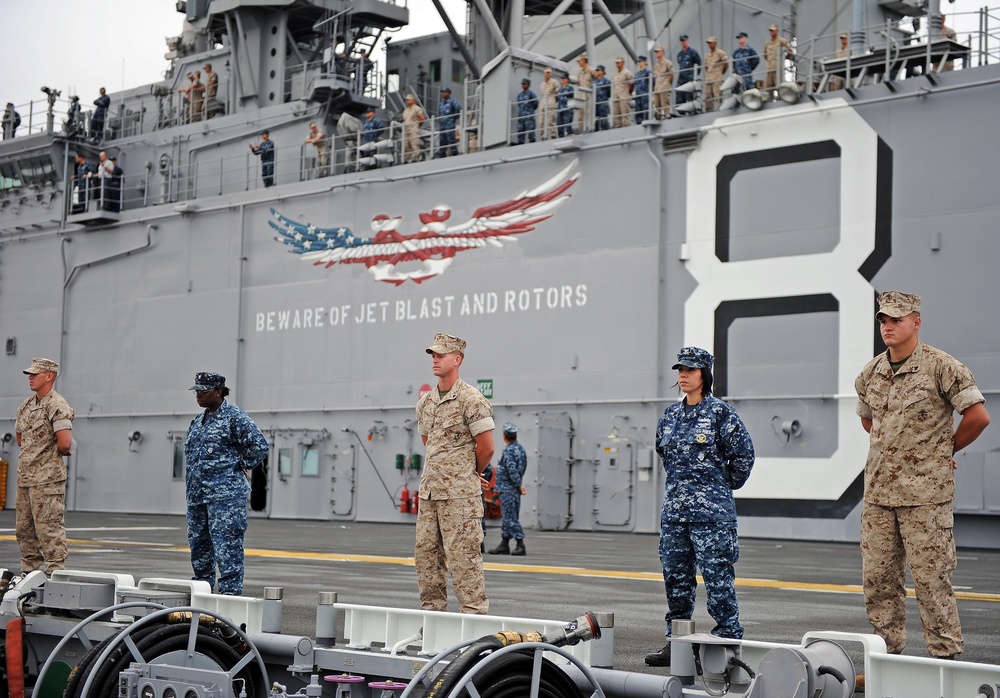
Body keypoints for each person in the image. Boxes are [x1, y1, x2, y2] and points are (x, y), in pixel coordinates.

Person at [855, 292, 990, 661]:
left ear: (916, 321)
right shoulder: (871, 373)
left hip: (926, 498)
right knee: (878, 584)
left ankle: (944, 662)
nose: (888, 327)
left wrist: (942, 451)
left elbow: (977, 417)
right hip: (880, 496)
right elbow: (870, 420)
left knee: (932, 583)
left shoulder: (942, 367)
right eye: (883, 320)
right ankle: (886, 661)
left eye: (896, 320)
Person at [645, 346, 755, 667]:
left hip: (712, 516)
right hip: (675, 516)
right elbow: (665, 455)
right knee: (676, 579)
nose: (683, 375)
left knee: (718, 577)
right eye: (680, 369)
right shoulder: (670, 416)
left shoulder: (722, 414)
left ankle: (727, 639)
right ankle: (677, 641)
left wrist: (718, 489)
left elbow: (743, 458)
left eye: (690, 370)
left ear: (704, 374)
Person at [415, 333, 495, 614]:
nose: (435, 359)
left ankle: (473, 621)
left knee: (463, 559)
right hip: (430, 495)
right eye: (433, 355)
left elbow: (486, 448)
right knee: (427, 559)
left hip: (460, 497)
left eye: (441, 354)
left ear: (457, 359)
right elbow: (431, 445)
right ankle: (433, 620)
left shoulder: (471, 400)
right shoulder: (425, 404)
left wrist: (467, 473)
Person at [184, 372, 269, 595]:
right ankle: (201, 593)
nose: (198, 395)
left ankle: (230, 597)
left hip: (225, 498)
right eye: (197, 391)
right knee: (199, 548)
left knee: (227, 547)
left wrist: (239, 465)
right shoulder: (198, 421)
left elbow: (259, 445)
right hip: (198, 497)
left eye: (203, 391)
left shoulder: (234, 417)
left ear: (219, 392)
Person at [15, 358, 74, 576]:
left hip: (48, 480)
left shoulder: (57, 405)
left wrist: (45, 454)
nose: (30, 378)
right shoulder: (27, 405)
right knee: (25, 531)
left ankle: (55, 576)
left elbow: (65, 442)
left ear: (49, 376)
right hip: (26, 479)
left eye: (34, 374)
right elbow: (20, 438)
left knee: (49, 530)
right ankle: (28, 575)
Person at [487, 423, 528, 556]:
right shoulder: (521, 449)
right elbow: (522, 468)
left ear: (504, 436)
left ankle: (520, 543)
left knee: (510, 518)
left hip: (508, 489)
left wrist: (518, 485)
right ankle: (504, 544)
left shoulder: (508, 451)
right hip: (512, 489)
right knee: (508, 517)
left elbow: (512, 470)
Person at [763, 23, 793, 91]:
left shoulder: (782, 41)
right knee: (768, 89)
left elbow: (790, 50)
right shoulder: (767, 43)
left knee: (780, 87)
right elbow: (765, 55)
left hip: (778, 69)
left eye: (773, 30)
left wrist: (785, 58)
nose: (771, 32)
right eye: (770, 30)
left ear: (777, 31)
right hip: (769, 69)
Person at [675, 35, 702, 106]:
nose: (683, 43)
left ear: (687, 41)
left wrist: (694, 76)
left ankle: (691, 109)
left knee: (690, 96)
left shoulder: (693, 52)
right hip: (682, 78)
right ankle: (681, 111)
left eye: (684, 41)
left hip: (689, 78)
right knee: (679, 95)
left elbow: (699, 63)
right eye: (681, 41)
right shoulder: (679, 54)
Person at [703, 38, 729, 111]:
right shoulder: (707, 56)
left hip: (717, 78)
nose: (709, 45)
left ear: (715, 43)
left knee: (718, 95)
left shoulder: (720, 53)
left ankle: (722, 109)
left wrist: (720, 73)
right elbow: (706, 67)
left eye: (711, 43)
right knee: (707, 96)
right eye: (708, 43)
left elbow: (725, 63)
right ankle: (709, 111)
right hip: (709, 79)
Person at [435, 86, 461, 158]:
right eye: (442, 93)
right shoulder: (441, 104)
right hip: (442, 126)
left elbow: (459, 108)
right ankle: (442, 155)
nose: (443, 94)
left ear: (449, 93)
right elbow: (439, 114)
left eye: (445, 92)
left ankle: (454, 155)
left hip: (449, 125)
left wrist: (456, 117)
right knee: (442, 142)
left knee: (451, 141)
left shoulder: (452, 102)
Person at [576, 54, 598, 132]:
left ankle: (590, 129)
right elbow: (579, 84)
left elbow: (598, 78)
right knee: (580, 117)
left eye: (579, 61)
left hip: (589, 95)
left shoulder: (591, 70)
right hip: (581, 96)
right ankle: (582, 131)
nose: (578, 62)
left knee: (589, 114)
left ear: (583, 60)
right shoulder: (579, 74)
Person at [402, 94, 426, 163]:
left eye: (409, 99)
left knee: (414, 144)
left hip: (413, 128)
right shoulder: (406, 110)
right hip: (406, 129)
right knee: (406, 145)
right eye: (407, 99)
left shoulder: (417, 108)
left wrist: (416, 126)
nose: (407, 100)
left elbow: (422, 118)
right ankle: (407, 159)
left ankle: (416, 158)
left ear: (413, 100)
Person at [651, 46, 674, 119]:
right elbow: (656, 77)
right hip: (657, 88)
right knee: (656, 105)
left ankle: (668, 117)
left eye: (658, 51)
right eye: (656, 52)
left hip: (664, 87)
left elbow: (671, 75)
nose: (656, 53)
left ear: (663, 52)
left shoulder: (667, 63)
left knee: (665, 104)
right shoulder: (656, 66)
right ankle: (658, 117)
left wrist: (667, 84)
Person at [611, 57, 634, 127]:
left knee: (625, 115)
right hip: (616, 97)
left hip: (624, 96)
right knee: (616, 115)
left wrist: (628, 93)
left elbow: (632, 83)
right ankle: (618, 129)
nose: (617, 64)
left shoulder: (627, 72)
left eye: (618, 62)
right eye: (616, 63)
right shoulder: (615, 75)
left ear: (623, 63)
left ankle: (627, 129)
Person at [515, 78, 538, 144]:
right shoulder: (520, 95)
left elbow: (535, 103)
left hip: (529, 116)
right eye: (522, 84)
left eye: (525, 84)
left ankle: (532, 143)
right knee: (520, 131)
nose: (523, 85)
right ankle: (521, 143)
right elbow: (519, 104)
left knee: (531, 131)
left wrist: (530, 111)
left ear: (528, 85)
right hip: (521, 116)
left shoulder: (531, 94)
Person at [538, 68, 558, 139]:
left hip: (550, 104)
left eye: (549, 73)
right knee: (541, 122)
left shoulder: (554, 82)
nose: (548, 74)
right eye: (547, 73)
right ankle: (542, 136)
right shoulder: (542, 84)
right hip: (543, 104)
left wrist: (554, 102)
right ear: (544, 74)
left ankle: (553, 135)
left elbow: (557, 93)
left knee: (551, 121)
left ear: (551, 74)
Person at [593, 65, 611, 131]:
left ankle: (606, 132)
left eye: (599, 70)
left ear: (603, 71)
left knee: (604, 120)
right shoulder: (594, 82)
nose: (597, 71)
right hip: (595, 103)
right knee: (596, 121)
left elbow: (609, 93)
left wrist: (604, 98)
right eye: (597, 70)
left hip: (603, 103)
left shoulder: (606, 81)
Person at [556, 73, 575, 137]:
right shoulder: (560, 89)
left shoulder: (570, 88)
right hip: (560, 110)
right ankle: (561, 138)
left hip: (567, 110)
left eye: (564, 78)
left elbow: (571, 97)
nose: (562, 80)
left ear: (567, 79)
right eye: (561, 79)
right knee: (559, 126)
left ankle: (570, 137)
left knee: (568, 125)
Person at [633, 56, 651, 124]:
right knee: (638, 112)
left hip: (645, 95)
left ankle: (647, 122)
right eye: (638, 62)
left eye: (640, 61)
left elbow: (653, 83)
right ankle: (639, 124)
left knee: (646, 111)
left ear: (644, 62)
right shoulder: (637, 74)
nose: (639, 63)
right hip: (638, 96)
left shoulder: (648, 72)